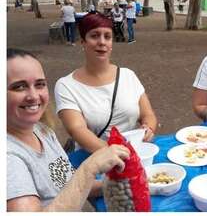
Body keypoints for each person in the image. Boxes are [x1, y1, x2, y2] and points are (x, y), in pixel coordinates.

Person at [7, 48, 131, 211]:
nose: (34, 96)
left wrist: (121, 184)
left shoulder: (42, 130)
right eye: (19, 87)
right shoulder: (9, 157)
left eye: (40, 84)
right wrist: (90, 167)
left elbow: (68, 184)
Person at [54, 13, 157, 152]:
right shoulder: (66, 86)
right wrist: (116, 153)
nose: (102, 42)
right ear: (83, 42)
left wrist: (148, 128)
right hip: (93, 160)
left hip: (133, 155)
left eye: (107, 37)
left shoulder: (128, 76)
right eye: (94, 36)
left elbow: (147, 114)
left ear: (111, 44)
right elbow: (77, 130)